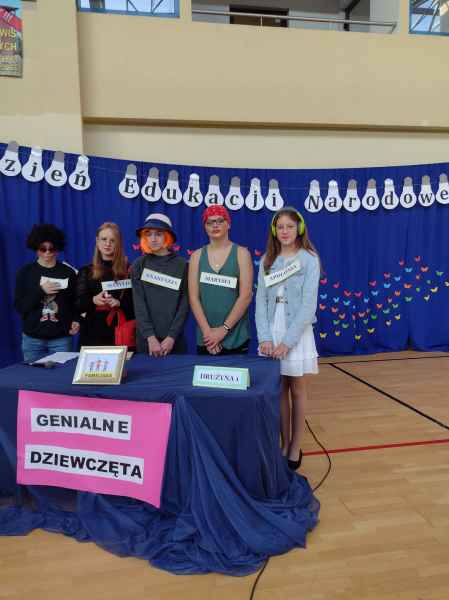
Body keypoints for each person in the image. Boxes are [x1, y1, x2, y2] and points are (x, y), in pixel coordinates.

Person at [255, 207, 320, 471]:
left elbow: (308, 305)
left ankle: (295, 446)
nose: (285, 231)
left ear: (299, 229)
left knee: (297, 389)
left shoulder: (309, 259)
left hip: (297, 331)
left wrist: (288, 342)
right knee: (279, 388)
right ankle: (283, 443)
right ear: (274, 231)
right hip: (273, 329)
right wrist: (265, 337)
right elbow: (260, 301)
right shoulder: (267, 260)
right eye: (280, 227)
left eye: (290, 226)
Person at [188, 205, 253, 355]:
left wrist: (223, 330)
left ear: (228, 224)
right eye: (210, 222)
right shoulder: (196, 256)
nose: (215, 225)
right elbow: (193, 298)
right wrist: (208, 334)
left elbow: (245, 296)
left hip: (236, 337)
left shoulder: (242, 253)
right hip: (206, 338)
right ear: (205, 227)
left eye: (219, 221)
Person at [14, 224, 80, 362]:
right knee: (32, 376)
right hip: (32, 340)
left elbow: (76, 302)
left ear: (58, 248)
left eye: (52, 249)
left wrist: (76, 320)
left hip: (61, 339)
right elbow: (20, 306)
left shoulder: (68, 272)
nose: (47, 253)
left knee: (61, 375)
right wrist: (41, 291)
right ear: (35, 248)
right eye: (43, 249)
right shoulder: (25, 273)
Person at [131, 213, 189, 356]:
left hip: (174, 340)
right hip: (146, 340)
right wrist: (150, 337)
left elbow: (185, 304)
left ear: (167, 237)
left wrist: (171, 337)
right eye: (148, 234)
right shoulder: (138, 265)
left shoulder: (183, 265)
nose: (153, 239)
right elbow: (139, 304)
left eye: (158, 234)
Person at [75, 222, 134, 346]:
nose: (108, 244)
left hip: (121, 332)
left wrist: (119, 303)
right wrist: (93, 300)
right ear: (97, 241)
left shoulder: (130, 271)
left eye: (112, 240)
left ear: (119, 243)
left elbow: (138, 304)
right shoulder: (86, 271)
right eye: (104, 239)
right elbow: (78, 304)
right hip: (92, 334)